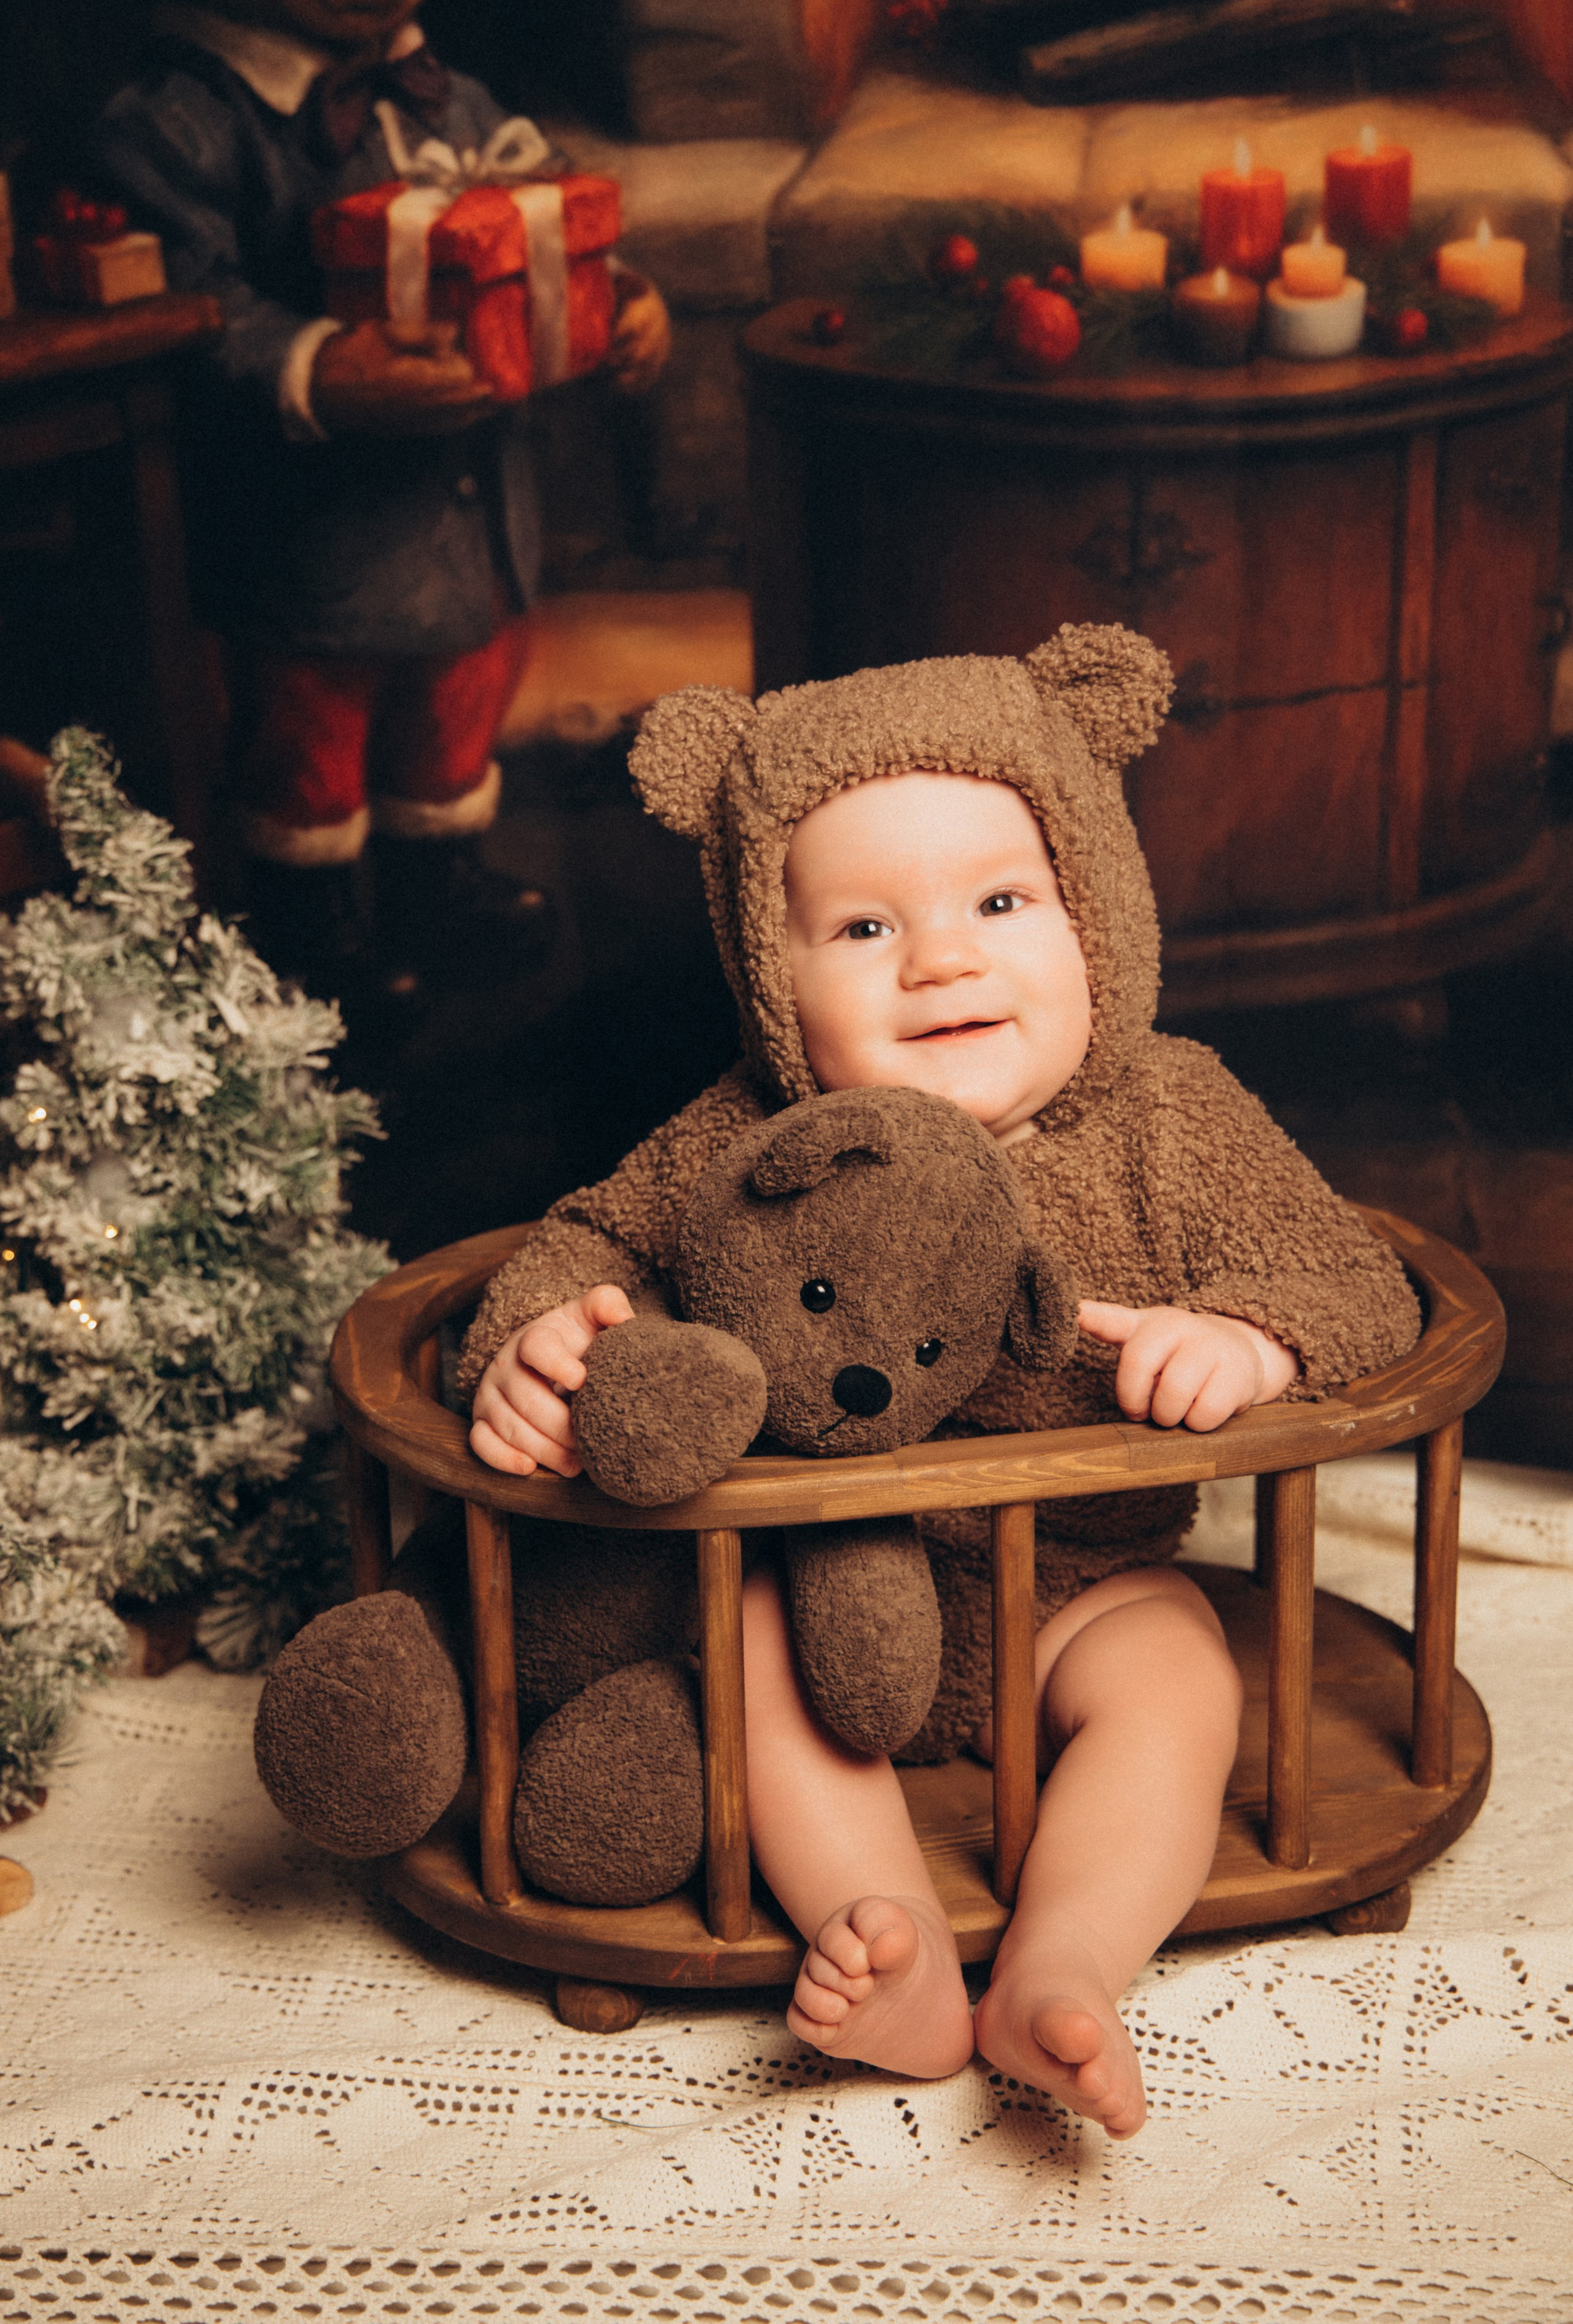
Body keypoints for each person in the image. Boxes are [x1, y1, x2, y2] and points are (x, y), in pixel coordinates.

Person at [458, 627, 1421, 2137]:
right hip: (830, 1590)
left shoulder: (1172, 1117)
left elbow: (1354, 1280)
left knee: (1177, 1678)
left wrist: (1250, 1339)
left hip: (1080, 1593)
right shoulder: (748, 1135)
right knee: (741, 1642)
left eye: (999, 901)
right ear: (769, 977)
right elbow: (589, 1239)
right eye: (861, 927)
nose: (942, 959)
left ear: (1093, 910)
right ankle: (885, 1936)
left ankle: (1065, 1963)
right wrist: (539, 1343)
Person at [93, 0, 670, 996]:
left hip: (475, 507)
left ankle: (436, 878)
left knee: (458, 695)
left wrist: (616, 295)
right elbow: (181, 301)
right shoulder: (177, 122)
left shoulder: (451, 97)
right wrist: (313, 365)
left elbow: (550, 208)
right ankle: (310, 917)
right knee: (311, 725)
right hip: (313, 531)